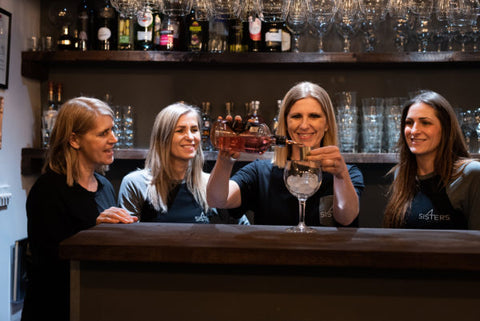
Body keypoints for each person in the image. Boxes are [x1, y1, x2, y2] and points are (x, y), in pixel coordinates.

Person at [22, 97, 138, 321]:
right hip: (53, 309)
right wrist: (93, 229)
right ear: (74, 140)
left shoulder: (104, 185)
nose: (114, 139)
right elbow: (47, 265)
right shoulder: (47, 190)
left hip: (91, 304)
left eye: (112, 131)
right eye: (103, 133)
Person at [207, 81, 364, 227]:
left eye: (314, 116)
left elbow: (346, 218)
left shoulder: (348, 174)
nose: (304, 125)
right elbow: (217, 200)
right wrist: (225, 160)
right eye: (296, 116)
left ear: (327, 124)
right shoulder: (261, 173)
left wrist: (341, 175)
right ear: (285, 122)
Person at [118, 102, 247, 224]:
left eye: (194, 130)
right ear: (163, 137)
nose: (190, 137)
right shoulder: (136, 184)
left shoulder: (211, 185)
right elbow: (127, 238)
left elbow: (243, 228)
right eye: (180, 130)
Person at [384, 90, 480, 230]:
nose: (414, 130)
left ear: (445, 129)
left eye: (425, 123)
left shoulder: (471, 174)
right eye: (409, 123)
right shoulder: (402, 174)